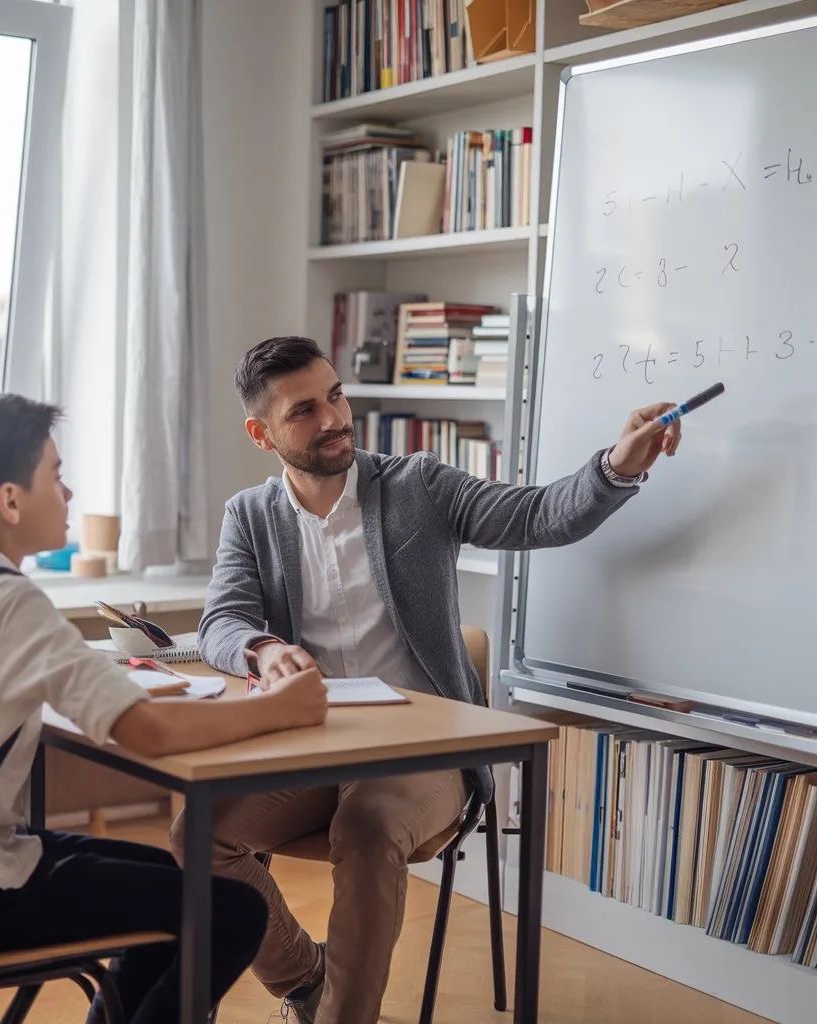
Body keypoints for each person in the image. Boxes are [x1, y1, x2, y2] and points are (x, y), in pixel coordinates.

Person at [172, 335, 682, 1024]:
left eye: (336, 396)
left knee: (370, 824)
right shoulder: (252, 515)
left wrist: (616, 467)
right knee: (196, 832)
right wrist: (263, 649)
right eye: (304, 412)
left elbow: (536, 515)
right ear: (261, 433)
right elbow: (220, 623)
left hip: (424, 750)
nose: (332, 419)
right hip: (314, 745)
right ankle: (306, 982)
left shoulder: (417, 486)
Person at [0, 392, 329, 1024]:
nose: (68, 494)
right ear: (10, 500)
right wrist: (282, 709)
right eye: (56, 476)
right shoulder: (5, 603)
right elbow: (148, 731)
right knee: (232, 910)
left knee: (181, 883)